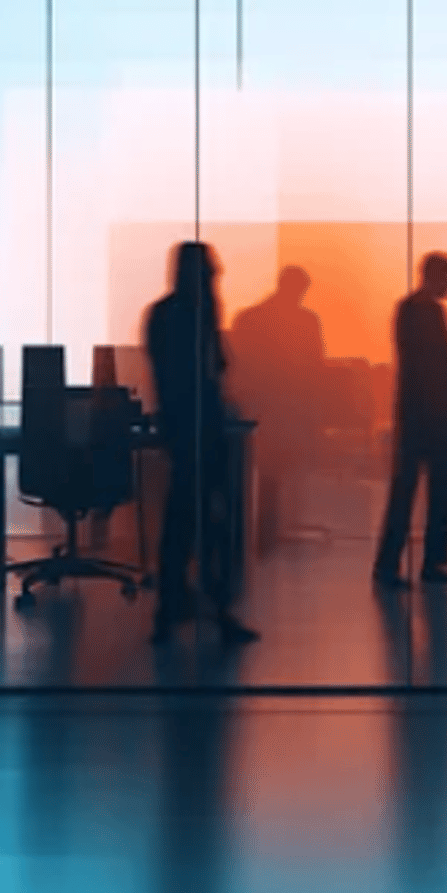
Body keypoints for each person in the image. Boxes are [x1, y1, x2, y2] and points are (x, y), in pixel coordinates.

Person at [147, 240, 259, 645]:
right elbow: (210, 373)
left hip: (184, 431)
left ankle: (173, 610)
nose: (216, 277)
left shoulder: (167, 314)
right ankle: (213, 611)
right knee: (206, 523)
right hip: (197, 430)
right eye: (211, 272)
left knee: (184, 523)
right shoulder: (192, 315)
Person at [373, 252, 447, 588]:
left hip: (424, 416)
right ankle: (412, 564)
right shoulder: (418, 310)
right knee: (415, 491)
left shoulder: (419, 309)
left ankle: (415, 562)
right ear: (434, 277)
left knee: (418, 491)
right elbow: (430, 371)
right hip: (425, 417)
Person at [228, 265, 327, 555]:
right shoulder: (305, 321)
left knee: (266, 471)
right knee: (272, 469)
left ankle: (264, 533)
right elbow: (314, 367)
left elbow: (239, 368)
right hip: (286, 407)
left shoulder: (250, 318)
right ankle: (268, 533)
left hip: (264, 406)